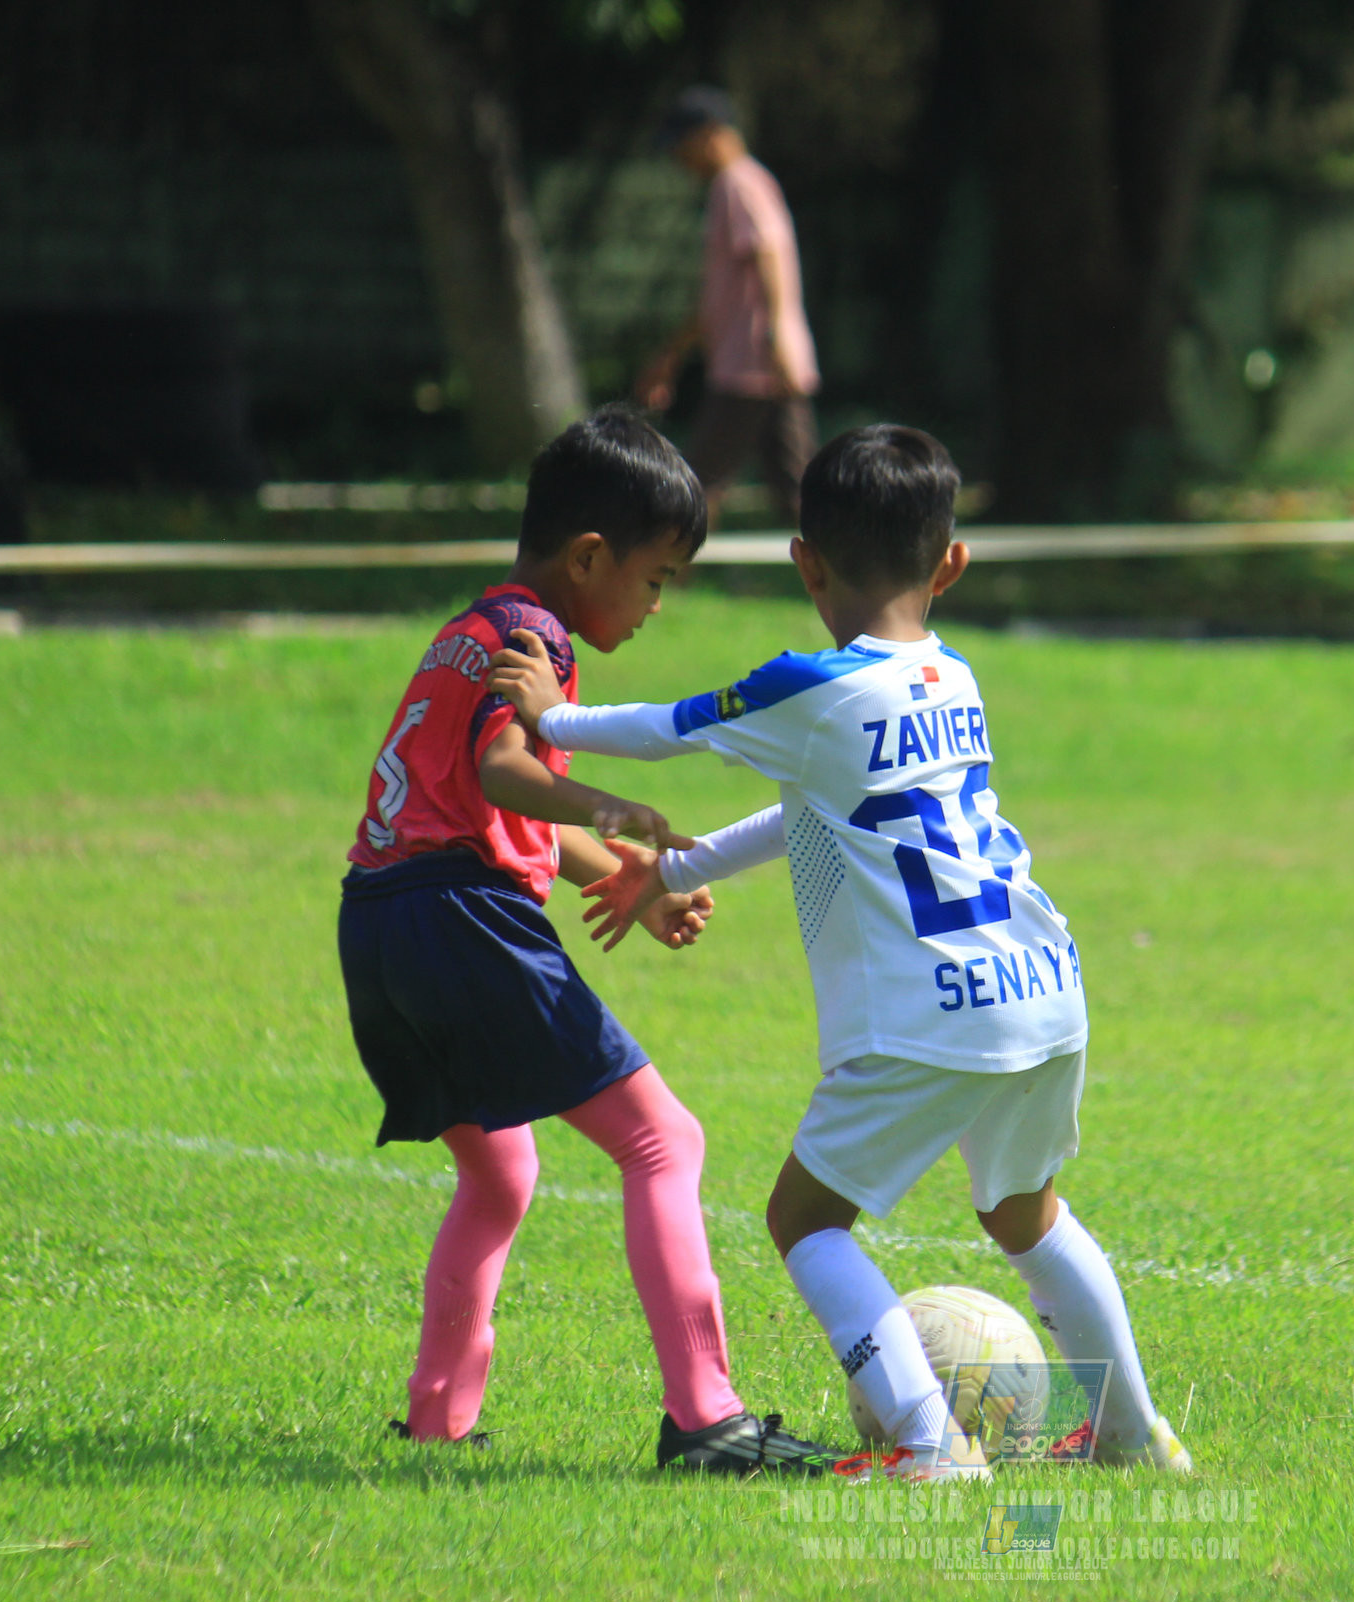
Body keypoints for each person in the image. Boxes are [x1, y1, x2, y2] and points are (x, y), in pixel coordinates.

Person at [486, 424, 1193, 1482]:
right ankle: (1136, 1433)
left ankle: (930, 1446)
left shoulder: (810, 686)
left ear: (805, 563)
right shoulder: (952, 675)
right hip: (1042, 983)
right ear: (951, 563)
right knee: (1024, 1211)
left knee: (805, 1219)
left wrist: (556, 716)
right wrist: (673, 871)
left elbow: (669, 728)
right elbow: (816, 813)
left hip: (930, 1011)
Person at [336, 404, 839, 1475]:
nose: (657, 605)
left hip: (380, 919)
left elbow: (486, 804)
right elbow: (506, 773)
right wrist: (617, 809)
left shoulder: (471, 629)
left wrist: (625, 879)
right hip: (462, 917)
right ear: (588, 556)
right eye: (654, 579)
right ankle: (705, 1419)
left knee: (499, 1170)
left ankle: (436, 1420)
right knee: (664, 1141)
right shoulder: (540, 638)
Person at [635, 85, 821, 523]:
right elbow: (719, 298)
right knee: (800, 490)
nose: (679, 158)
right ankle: (838, 559)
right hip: (758, 361)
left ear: (709, 134)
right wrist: (673, 353)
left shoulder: (737, 183)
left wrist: (776, 332)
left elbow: (767, 253)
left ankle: (668, 561)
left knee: (695, 487)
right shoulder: (740, 183)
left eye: (682, 145)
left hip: (752, 361)